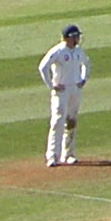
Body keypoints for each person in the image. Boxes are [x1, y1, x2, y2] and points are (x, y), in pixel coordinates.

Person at [39, 24, 89, 167]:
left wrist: (83, 79)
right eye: (76, 36)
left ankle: (69, 154)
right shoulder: (58, 51)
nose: (78, 39)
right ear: (69, 38)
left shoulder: (79, 51)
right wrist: (52, 85)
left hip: (75, 89)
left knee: (71, 121)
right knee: (57, 122)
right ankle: (52, 156)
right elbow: (43, 67)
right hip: (61, 91)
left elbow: (86, 63)